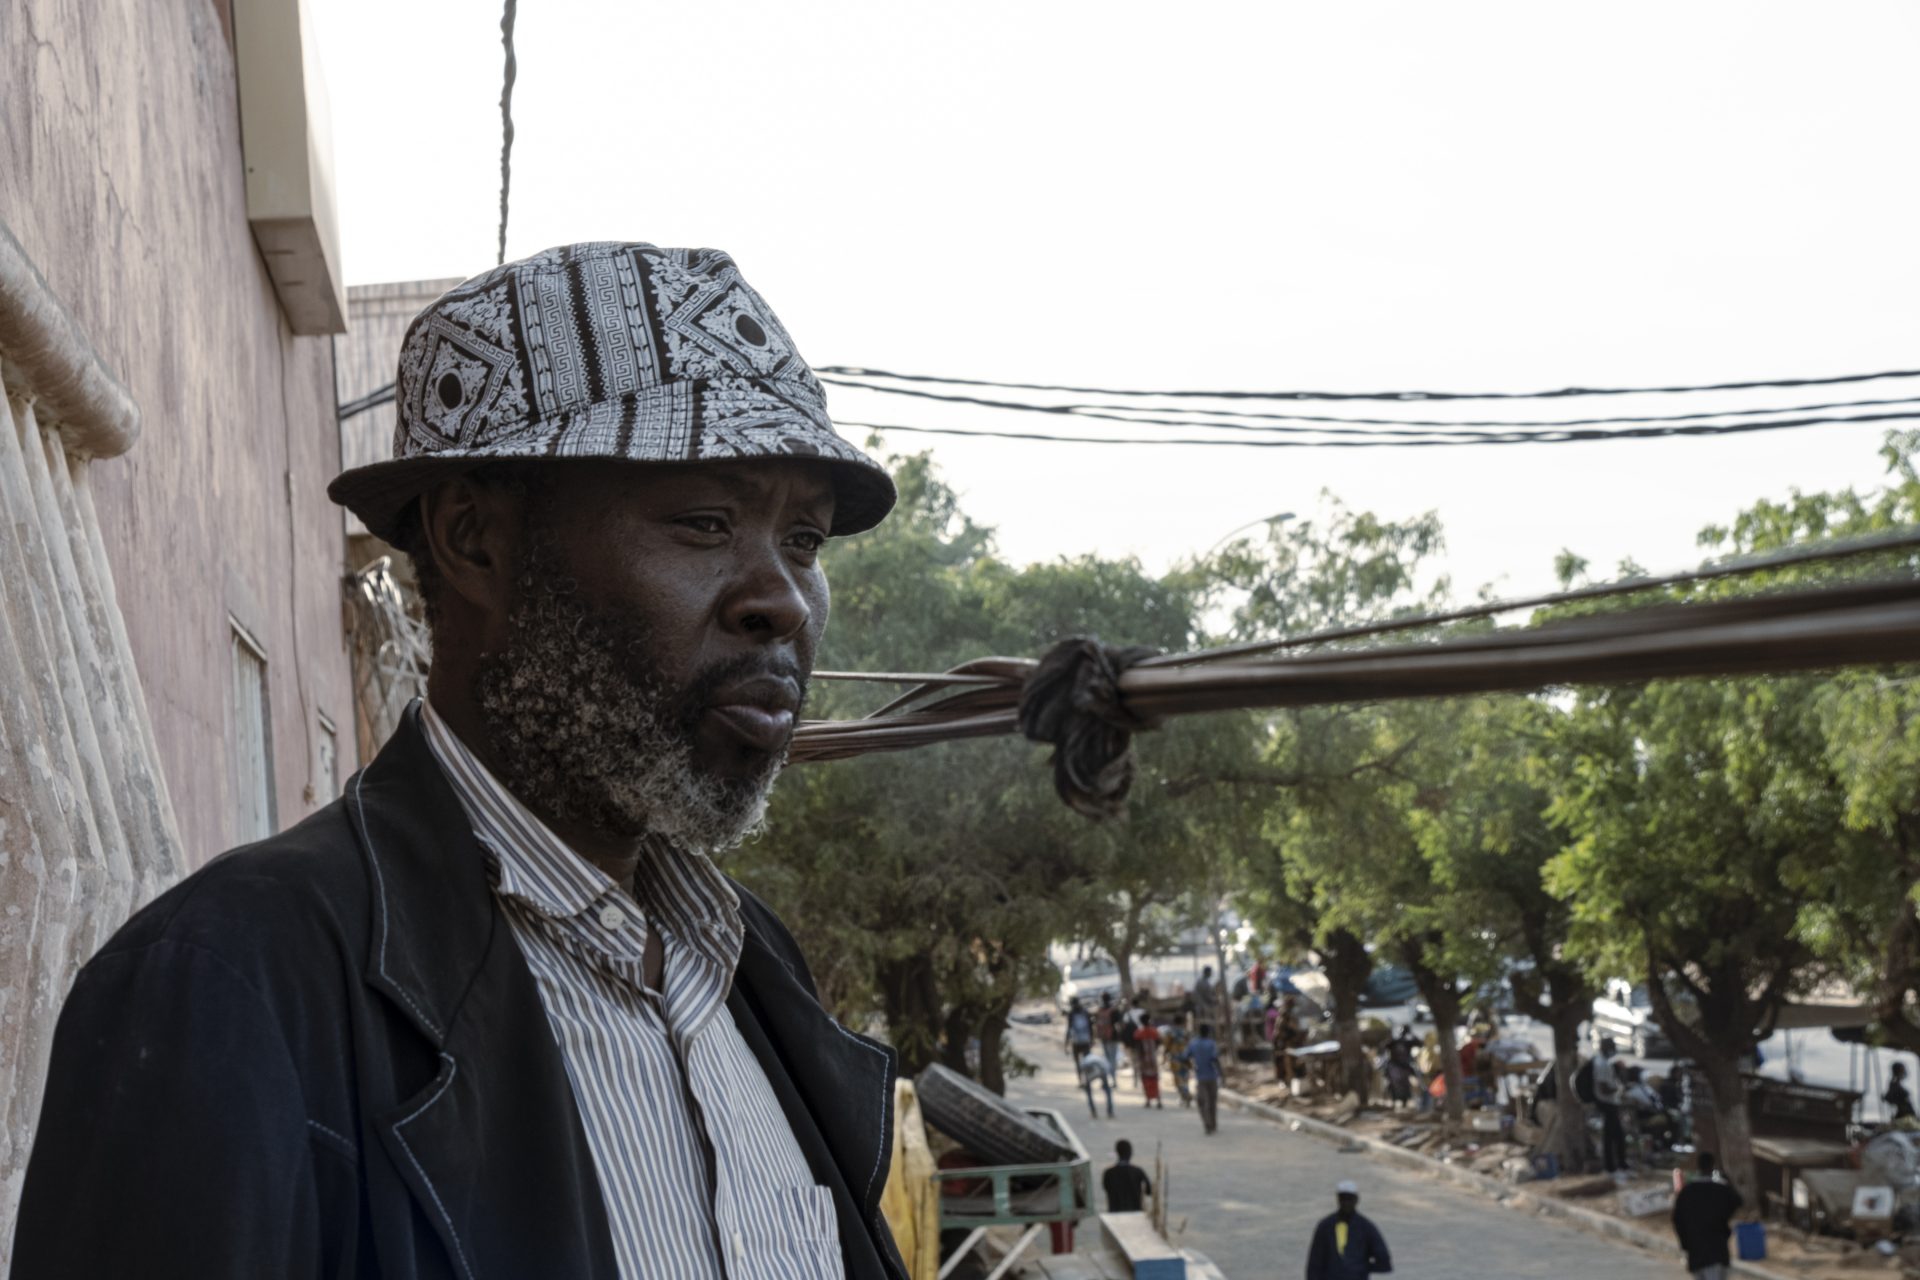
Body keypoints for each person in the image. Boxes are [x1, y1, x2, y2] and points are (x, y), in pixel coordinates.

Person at [12, 243, 907, 1278]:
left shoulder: (752, 966)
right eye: (706, 522)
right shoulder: (228, 981)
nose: (784, 599)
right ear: (476, 539)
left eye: (805, 541)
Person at [1671, 1151, 1744, 1280]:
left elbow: (1677, 1220)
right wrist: (1728, 1181)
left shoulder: (1687, 1192)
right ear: (1712, 1166)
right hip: (1716, 1249)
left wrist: (1685, 1243)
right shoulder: (1721, 1191)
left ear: (1698, 1166)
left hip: (1695, 1250)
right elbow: (1738, 1202)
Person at [1305, 1181, 1393, 1279]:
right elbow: (1314, 1263)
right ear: (1338, 1199)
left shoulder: (1366, 1228)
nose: (1346, 1203)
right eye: (1343, 1198)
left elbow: (1384, 1262)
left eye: (1349, 1199)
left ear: (1356, 1200)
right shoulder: (1325, 1227)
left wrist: (1360, 1267)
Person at [1593, 1036, 1629, 1180]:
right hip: (1607, 1103)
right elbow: (1604, 1088)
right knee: (1613, 1137)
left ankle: (1617, 1164)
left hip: (1609, 1103)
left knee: (1613, 1136)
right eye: (1612, 1046)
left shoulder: (1603, 1062)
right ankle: (1614, 1166)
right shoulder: (1601, 1064)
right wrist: (1618, 1089)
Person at [1101, 1139, 1154, 1214]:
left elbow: (1106, 1188)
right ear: (1130, 1153)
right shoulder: (1138, 1172)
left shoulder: (1108, 1173)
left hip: (1115, 1213)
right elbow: (1149, 1191)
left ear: (1117, 1153)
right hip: (1135, 1212)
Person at [1190, 1023, 1224, 1135]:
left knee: (1202, 1102)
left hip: (1200, 1077)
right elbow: (1215, 1059)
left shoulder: (1193, 1044)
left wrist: (1192, 1067)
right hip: (1212, 1076)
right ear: (1208, 1032)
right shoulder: (1211, 1044)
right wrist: (1221, 1074)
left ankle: (1207, 1124)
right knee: (1212, 1102)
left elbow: (1184, 1056)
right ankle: (1213, 1124)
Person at [1382, 1026, 1418, 1109]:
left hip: (1404, 1067)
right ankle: (1394, 1102)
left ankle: (1404, 1102)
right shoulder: (1393, 1042)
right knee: (1394, 1085)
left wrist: (1412, 1034)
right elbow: (1384, 1046)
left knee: (1405, 1085)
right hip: (1394, 1067)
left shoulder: (1408, 1042)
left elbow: (1419, 1043)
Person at [1163, 1021, 1195, 1107]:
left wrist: (1164, 1057)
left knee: (1178, 1080)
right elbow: (1191, 1045)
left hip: (1175, 1059)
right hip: (1186, 1059)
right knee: (1185, 1078)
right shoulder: (1186, 1033)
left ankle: (1185, 1095)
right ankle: (1185, 1097)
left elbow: (1166, 1046)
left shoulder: (1170, 1033)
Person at [1080, 1047, 1117, 1119]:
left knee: (1088, 1090)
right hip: (1100, 1069)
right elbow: (1108, 1068)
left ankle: (1093, 1111)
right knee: (1107, 1090)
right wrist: (1105, 1083)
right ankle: (1110, 1111)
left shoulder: (1086, 1059)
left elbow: (1082, 1069)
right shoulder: (1100, 1058)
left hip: (1090, 1068)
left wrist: (1084, 1082)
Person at [1135, 1020, 1164, 1108]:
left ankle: (1148, 1100)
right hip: (1153, 1059)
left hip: (1144, 1060)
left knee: (1145, 1080)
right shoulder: (1154, 1032)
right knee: (1155, 1079)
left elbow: (1138, 1046)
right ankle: (1158, 1100)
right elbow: (1159, 1042)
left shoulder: (1139, 1033)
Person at [1096, 992, 1123, 1075]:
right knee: (1113, 1058)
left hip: (1103, 1037)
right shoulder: (1114, 1010)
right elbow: (1120, 1024)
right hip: (1113, 1037)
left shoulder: (1100, 1010)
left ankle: (1111, 1075)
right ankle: (1113, 1076)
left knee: (1107, 1057)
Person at [1067, 997, 1094, 1062]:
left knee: (1079, 1061)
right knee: (1087, 1060)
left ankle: (1080, 1071)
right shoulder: (1085, 1012)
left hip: (1076, 1041)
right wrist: (1092, 1039)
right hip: (1085, 1039)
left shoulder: (1071, 1013)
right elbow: (1090, 1027)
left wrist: (1066, 1043)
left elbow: (1069, 1028)